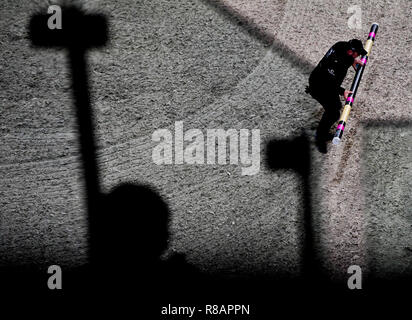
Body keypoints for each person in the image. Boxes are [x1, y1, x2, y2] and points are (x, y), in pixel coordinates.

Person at [306, 39, 367, 153]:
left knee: (335, 107)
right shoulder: (336, 62)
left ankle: (321, 133)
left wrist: (353, 60)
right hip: (319, 86)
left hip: (323, 81)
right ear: (351, 52)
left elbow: (347, 56)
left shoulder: (342, 45)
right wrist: (342, 91)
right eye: (357, 53)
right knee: (333, 112)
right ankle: (319, 138)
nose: (358, 55)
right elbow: (328, 81)